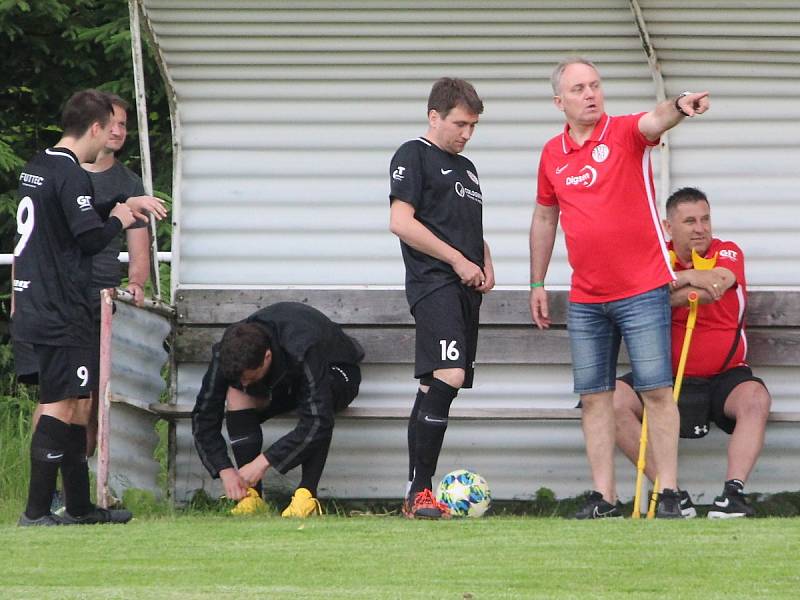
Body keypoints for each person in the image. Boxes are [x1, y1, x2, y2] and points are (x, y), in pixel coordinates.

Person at [529, 57, 710, 519]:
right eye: (578, 89)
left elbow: (656, 119)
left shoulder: (624, 132)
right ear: (559, 102)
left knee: (655, 392)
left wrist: (681, 105)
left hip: (642, 288)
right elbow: (545, 217)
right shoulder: (552, 154)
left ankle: (668, 492)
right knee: (594, 398)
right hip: (587, 297)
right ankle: (604, 498)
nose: (590, 94)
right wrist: (537, 281)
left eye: (595, 85)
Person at [12, 89, 166, 526]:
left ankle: (79, 508)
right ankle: (37, 511)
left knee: (79, 402)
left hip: (39, 301)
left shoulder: (40, 167)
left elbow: (69, 218)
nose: (110, 140)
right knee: (63, 403)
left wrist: (117, 204)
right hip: (61, 307)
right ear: (94, 128)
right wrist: (118, 218)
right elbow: (90, 239)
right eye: (108, 129)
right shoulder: (74, 174)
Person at [614, 187, 770, 518]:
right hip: (664, 377)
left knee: (755, 399)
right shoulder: (653, 255)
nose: (700, 228)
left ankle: (733, 495)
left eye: (705, 219)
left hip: (724, 378)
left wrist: (677, 279)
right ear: (669, 227)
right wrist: (680, 287)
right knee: (610, 401)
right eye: (690, 221)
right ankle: (672, 495)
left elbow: (718, 282)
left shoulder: (727, 251)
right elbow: (644, 298)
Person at [389, 77, 495, 519]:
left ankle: (416, 494)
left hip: (465, 287)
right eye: (459, 124)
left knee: (433, 384)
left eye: (473, 125)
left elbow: (466, 226)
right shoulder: (413, 154)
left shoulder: (467, 169)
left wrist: (486, 260)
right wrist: (457, 261)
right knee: (449, 374)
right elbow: (401, 222)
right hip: (434, 283)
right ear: (434, 116)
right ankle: (420, 490)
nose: (466, 133)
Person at [192, 302, 364, 517]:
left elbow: (318, 420)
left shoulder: (302, 344)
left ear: (267, 357)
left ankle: (306, 495)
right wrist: (224, 469)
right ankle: (251, 497)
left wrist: (263, 462)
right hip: (284, 384)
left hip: (336, 371)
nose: (246, 384)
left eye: (251, 377)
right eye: (240, 378)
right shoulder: (227, 352)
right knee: (237, 393)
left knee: (319, 401)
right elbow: (204, 417)